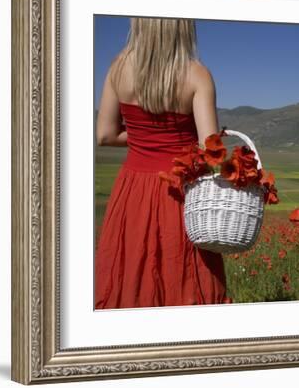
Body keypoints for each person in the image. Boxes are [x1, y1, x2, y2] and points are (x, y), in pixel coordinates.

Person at [94, 17, 227, 309]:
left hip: (132, 191)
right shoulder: (196, 75)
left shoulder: (118, 68)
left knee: (130, 274)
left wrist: (146, 138)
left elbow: (104, 135)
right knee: (184, 275)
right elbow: (209, 149)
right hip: (180, 193)